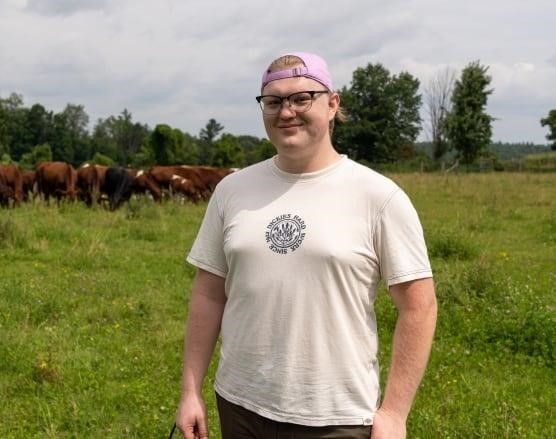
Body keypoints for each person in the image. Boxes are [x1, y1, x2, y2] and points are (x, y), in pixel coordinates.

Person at [175, 51, 437, 439]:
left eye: (302, 98)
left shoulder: (378, 197)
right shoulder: (232, 191)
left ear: (332, 104)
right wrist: (190, 391)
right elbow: (209, 294)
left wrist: (395, 413)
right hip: (240, 405)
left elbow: (419, 306)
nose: (286, 112)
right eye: (274, 101)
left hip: (337, 416)